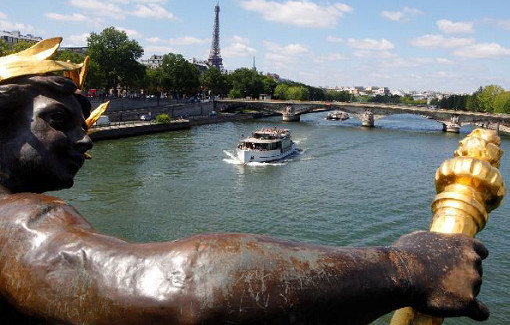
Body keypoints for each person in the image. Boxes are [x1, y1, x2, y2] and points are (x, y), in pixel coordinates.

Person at [0, 40, 490, 324]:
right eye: (59, 120)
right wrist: (405, 268)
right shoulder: (17, 222)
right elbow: (184, 284)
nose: (84, 142)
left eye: (84, 127)